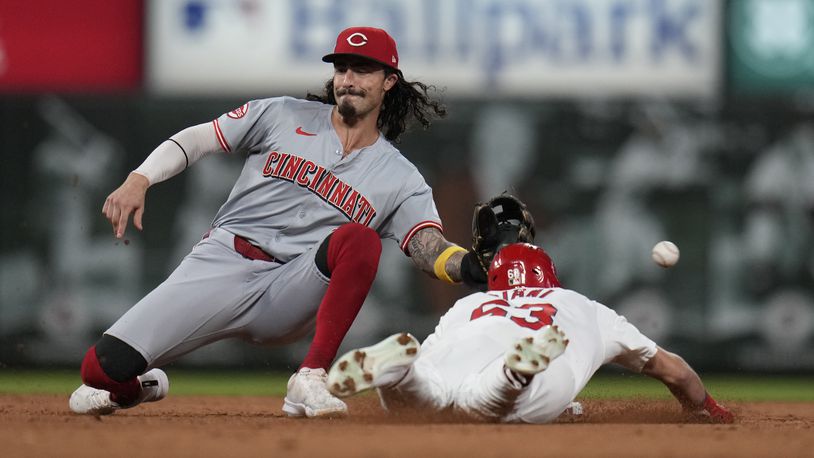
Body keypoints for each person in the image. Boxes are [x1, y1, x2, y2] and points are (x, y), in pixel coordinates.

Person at [68, 26, 489, 418]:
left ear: (388, 81)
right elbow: (200, 138)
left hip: (291, 287)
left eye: (362, 69)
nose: (348, 79)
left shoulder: (400, 177)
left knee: (359, 239)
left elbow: (426, 246)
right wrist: (141, 178)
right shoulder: (282, 114)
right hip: (221, 263)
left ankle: (309, 378)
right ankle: (139, 386)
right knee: (99, 371)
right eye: (342, 68)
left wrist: (472, 265)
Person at [327, 243, 735, 424]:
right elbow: (676, 372)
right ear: (551, 278)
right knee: (486, 404)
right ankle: (513, 372)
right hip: (541, 364)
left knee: (428, 393)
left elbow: (440, 352)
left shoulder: (468, 304)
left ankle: (401, 373)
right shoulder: (583, 305)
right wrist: (706, 407)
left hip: (462, 347)